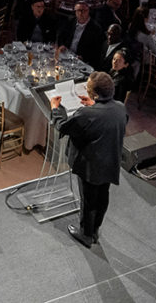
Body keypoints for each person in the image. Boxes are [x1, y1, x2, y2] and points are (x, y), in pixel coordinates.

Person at [49, 71, 127, 248]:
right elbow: (113, 123)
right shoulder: (121, 107)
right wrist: (96, 104)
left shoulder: (86, 114)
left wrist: (55, 108)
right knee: (102, 196)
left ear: (95, 93)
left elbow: (63, 125)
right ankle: (95, 230)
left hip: (91, 165)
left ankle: (85, 234)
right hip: (111, 161)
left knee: (88, 200)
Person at [56, 1, 106, 71]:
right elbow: (60, 35)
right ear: (75, 12)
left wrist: (84, 58)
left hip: (82, 61)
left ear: (88, 11)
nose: (81, 13)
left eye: (84, 11)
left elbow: (97, 51)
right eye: (78, 10)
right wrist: (61, 45)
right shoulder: (70, 21)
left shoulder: (96, 29)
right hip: (66, 55)